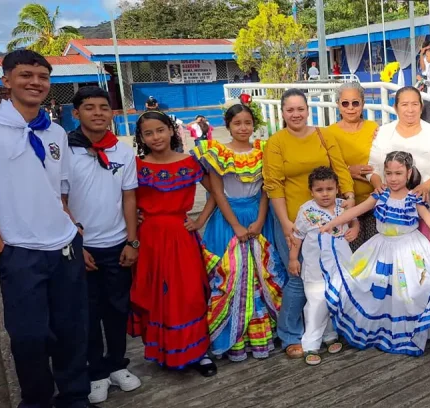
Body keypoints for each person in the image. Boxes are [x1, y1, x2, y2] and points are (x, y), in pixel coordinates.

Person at [0, 50, 115, 408]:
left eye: (43, 77)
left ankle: (73, 401)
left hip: (64, 246)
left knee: (72, 328)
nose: (36, 83)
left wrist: (72, 229)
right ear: (6, 80)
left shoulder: (54, 133)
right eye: (26, 75)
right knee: (29, 336)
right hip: (19, 251)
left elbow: (59, 191)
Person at [320, 151, 430, 356]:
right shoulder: (380, 195)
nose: (393, 178)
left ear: (409, 173)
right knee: (379, 290)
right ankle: (380, 331)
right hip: (381, 248)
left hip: (409, 250)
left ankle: (406, 333)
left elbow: (429, 219)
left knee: (407, 291)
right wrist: (332, 223)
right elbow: (356, 211)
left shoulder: (414, 197)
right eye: (389, 173)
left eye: (399, 173)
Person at [62, 86, 141, 405]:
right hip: (81, 248)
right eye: (89, 107)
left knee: (117, 308)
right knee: (87, 313)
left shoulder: (122, 151)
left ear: (112, 113)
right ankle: (95, 372)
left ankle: (117, 365)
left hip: (117, 245)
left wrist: (132, 241)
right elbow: (60, 200)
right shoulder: (65, 150)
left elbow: (130, 196)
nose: (98, 113)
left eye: (103, 108)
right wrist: (75, 243)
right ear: (76, 113)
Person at [263, 88, 355, 359]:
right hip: (295, 220)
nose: (295, 114)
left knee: (331, 276)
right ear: (283, 113)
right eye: (290, 110)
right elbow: (273, 186)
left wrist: (348, 197)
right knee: (297, 278)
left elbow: (340, 168)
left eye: (300, 109)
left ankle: (328, 331)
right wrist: (285, 223)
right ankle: (290, 334)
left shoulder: (323, 136)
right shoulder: (276, 142)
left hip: (329, 220)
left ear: (308, 109)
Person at [194, 104, 285, 362]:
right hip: (228, 220)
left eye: (247, 123)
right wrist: (234, 224)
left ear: (253, 125)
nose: (243, 128)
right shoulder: (217, 153)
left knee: (262, 273)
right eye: (237, 123)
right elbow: (217, 193)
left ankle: (263, 335)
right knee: (231, 276)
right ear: (228, 126)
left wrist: (259, 220)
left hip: (258, 217)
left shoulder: (263, 150)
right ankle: (231, 339)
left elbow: (267, 189)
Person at [129, 110, 217, 377]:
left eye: (160, 130)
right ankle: (163, 350)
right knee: (158, 295)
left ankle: (198, 352)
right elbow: (126, 199)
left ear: (171, 131)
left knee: (188, 295)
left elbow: (216, 192)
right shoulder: (136, 165)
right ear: (141, 138)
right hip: (150, 240)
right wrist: (134, 221)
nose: (155, 137)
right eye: (148, 133)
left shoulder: (190, 163)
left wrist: (200, 220)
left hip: (181, 238)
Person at [290, 167, 357, 365]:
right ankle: (311, 343)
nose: (325, 193)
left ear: (337, 189)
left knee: (334, 297)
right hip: (315, 267)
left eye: (329, 188)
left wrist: (354, 229)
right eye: (319, 190)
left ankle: (329, 335)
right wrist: (293, 258)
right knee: (316, 301)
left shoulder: (343, 206)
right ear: (311, 191)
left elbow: (354, 220)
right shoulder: (306, 211)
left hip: (340, 264)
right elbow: (297, 236)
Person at [368, 87, 430, 246]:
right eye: (404, 105)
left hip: (427, 207)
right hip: (393, 213)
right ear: (395, 107)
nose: (410, 110)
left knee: (424, 258)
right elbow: (373, 168)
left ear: (421, 106)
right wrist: (380, 188)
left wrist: (425, 186)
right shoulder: (384, 132)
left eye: (415, 104)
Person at [324, 82, 378, 249]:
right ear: (338, 105)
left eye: (355, 103)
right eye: (345, 103)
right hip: (343, 205)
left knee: (372, 255)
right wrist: (348, 171)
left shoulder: (374, 128)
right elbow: (325, 168)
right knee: (350, 257)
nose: (350, 108)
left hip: (373, 203)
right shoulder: (329, 133)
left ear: (362, 104)